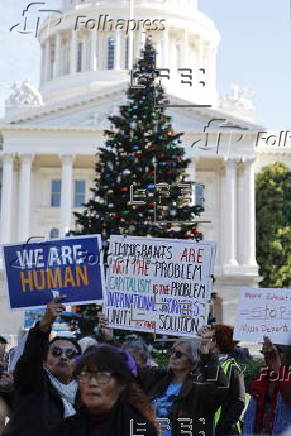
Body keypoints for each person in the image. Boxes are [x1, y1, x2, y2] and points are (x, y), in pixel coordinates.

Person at [2, 297, 81, 436]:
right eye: (56, 352)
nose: (63, 357)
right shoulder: (34, 383)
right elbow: (31, 358)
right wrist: (45, 324)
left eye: (70, 354)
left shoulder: (86, 390)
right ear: (44, 361)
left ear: (79, 362)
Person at [138, 326, 230, 436]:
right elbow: (128, 368)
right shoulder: (160, 378)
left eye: (178, 354)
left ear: (192, 358)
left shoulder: (198, 386)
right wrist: (111, 341)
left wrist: (207, 354)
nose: (172, 356)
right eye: (172, 352)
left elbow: (219, 388)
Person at [49, 344, 158, 436]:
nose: (92, 383)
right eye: (85, 375)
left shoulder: (139, 430)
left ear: (121, 384)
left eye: (102, 376)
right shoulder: (65, 429)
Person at [243, 336, 291, 435]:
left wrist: (278, 367)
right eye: (265, 352)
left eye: (279, 352)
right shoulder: (262, 378)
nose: (269, 357)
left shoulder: (286, 379)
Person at [212, 324, 245, 435]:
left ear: (216, 342)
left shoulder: (233, 368)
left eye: (210, 338)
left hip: (221, 430)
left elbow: (239, 402)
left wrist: (223, 427)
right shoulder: (204, 364)